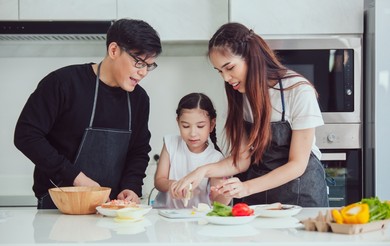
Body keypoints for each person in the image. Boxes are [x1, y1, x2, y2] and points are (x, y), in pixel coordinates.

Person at [171, 22, 329, 207]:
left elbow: (297, 165)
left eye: (229, 68)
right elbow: (242, 160)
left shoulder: (298, 91)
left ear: (251, 58)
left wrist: (245, 188)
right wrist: (201, 171)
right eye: (220, 71)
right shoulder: (241, 94)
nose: (226, 78)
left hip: (301, 197)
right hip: (260, 198)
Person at [14, 19, 162, 209]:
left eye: (149, 65)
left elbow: (139, 150)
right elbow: (26, 135)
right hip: (60, 208)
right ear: (114, 50)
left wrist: (131, 186)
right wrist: (76, 178)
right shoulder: (63, 83)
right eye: (139, 62)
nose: (143, 72)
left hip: (112, 210)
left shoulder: (139, 99)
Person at [153, 92, 230, 209]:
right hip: (165, 214)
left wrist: (226, 195)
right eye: (186, 126)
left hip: (196, 219)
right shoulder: (171, 143)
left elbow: (217, 200)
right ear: (178, 122)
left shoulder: (216, 158)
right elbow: (159, 181)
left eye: (200, 126)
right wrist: (173, 185)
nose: (193, 133)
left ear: (212, 124)